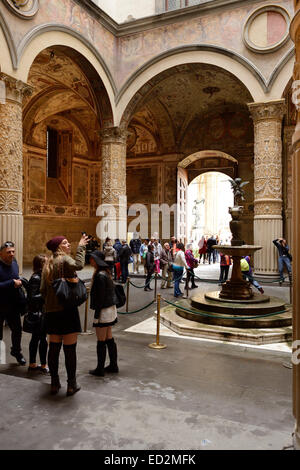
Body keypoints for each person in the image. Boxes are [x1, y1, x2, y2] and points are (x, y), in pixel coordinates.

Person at [41, 234, 88, 396]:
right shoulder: (65, 259)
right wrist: (81, 246)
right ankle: (71, 385)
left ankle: (54, 383)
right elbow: (79, 265)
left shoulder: (48, 262)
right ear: (59, 247)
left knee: (53, 349)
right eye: (65, 243)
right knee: (70, 350)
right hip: (67, 311)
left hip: (51, 312)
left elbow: (42, 290)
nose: (69, 245)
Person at [89, 251, 118, 377]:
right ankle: (113, 365)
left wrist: (96, 314)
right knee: (109, 338)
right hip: (110, 308)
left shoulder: (100, 275)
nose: (90, 261)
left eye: (91, 259)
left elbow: (100, 297)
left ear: (96, 260)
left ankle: (100, 369)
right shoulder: (105, 273)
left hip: (104, 310)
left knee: (101, 340)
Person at [0, 241, 26, 365]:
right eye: (8, 252)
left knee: (17, 330)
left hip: (13, 304)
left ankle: (16, 351)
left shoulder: (14, 263)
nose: (12, 254)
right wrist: (11, 283)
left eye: (13, 251)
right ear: (1, 254)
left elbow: (15, 277)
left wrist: (19, 281)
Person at [24, 254, 49, 373]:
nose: (48, 264)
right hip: (37, 314)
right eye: (46, 262)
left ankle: (40, 364)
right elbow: (32, 297)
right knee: (38, 339)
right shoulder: (36, 278)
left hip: (42, 313)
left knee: (41, 339)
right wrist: (46, 294)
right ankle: (35, 364)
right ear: (41, 265)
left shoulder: (43, 276)